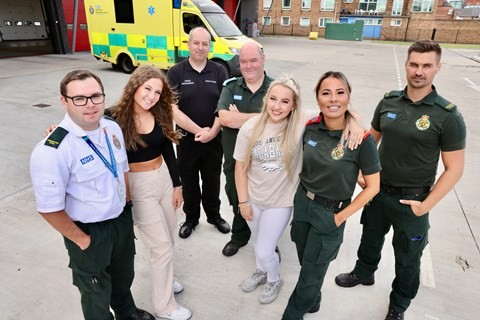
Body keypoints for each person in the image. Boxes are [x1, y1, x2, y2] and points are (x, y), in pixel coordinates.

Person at [335, 40, 466, 320]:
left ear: (437, 68)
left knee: (408, 258)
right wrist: (361, 171)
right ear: (407, 65)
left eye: (426, 66)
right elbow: (370, 137)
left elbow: (454, 169)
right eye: (414, 64)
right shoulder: (389, 100)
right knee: (370, 238)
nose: (419, 71)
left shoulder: (448, 115)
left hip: (413, 200)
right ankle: (364, 272)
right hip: (379, 192)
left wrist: (425, 205)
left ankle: (399, 305)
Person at [30, 70, 155, 320]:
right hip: (88, 231)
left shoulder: (111, 128)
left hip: (119, 220)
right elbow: (48, 208)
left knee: (123, 275)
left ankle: (126, 312)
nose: (90, 104)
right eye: (79, 98)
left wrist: (127, 205)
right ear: (64, 101)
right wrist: (82, 240)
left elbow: (121, 169)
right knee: (95, 289)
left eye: (95, 96)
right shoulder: (52, 150)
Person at [281, 71, 381, 320]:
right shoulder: (310, 127)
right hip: (304, 204)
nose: (333, 99)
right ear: (317, 98)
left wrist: (339, 217)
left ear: (348, 96)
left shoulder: (361, 140)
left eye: (340, 92)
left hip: (331, 213)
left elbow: (373, 186)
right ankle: (313, 300)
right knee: (307, 261)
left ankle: (292, 314)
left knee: (309, 276)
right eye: (326, 93)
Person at [109, 65, 192, 320]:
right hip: (138, 186)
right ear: (135, 86)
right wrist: (58, 130)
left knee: (169, 237)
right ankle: (164, 306)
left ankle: (166, 279)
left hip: (164, 180)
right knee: (161, 247)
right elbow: (82, 130)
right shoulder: (111, 118)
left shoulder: (159, 112)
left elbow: (168, 150)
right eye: (148, 89)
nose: (152, 96)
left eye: (157, 92)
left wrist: (178, 185)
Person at [234, 76, 304, 304]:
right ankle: (261, 271)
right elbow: (240, 167)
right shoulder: (250, 127)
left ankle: (274, 279)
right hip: (254, 198)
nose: (277, 106)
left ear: (294, 104)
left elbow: (338, 112)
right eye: (273, 99)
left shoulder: (301, 123)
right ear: (266, 99)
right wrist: (243, 202)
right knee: (257, 240)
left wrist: (353, 123)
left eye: (285, 101)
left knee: (265, 249)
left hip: (280, 201)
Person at [167, 26, 231, 239]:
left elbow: (224, 105)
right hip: (186, 140)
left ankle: (214, 216)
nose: (201, 47)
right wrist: (198, 131)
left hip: (215, 138)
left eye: (205, 43)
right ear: (189, 44)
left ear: (209, 46)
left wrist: (212, 132)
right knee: (189, 181)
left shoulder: (219, 71)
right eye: (197, 43)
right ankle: (191, 219)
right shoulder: (176, 72)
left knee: (212, 180)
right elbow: (172, 109)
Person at [216, 41, 274, 257]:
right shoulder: (231, 86)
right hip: (234, 161)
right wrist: (264, 118)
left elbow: (281, 120)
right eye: (243, 61)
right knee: (237, 198)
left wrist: (239, 117)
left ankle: (267, 240)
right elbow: (224, 118)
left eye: (253, 60)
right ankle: (239, 236)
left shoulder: (276, 89)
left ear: (263, 59)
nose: (248, 66)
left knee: (265, 204)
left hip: (266, 163)